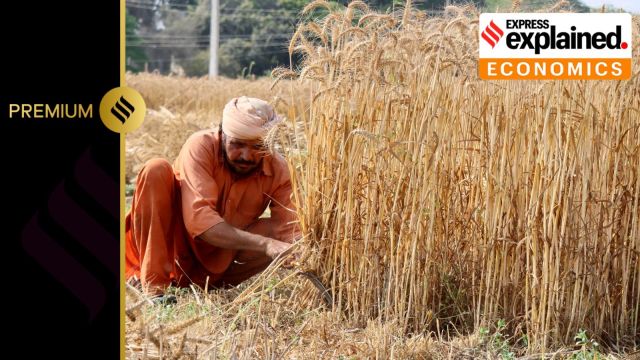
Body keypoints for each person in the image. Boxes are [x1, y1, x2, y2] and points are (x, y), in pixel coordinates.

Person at [125, 96, 300, 298]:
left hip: (219, 264)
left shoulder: (279, 170)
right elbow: (200, 222)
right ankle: (154, 288)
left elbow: (291, 229)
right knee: (155, 169)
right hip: (173, 246)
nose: (246, 156)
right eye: (238, 144)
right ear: (222, 134)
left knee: (280, 232)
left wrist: (300, 254)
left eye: (257, 147)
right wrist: (265, 244)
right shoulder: (200, 146)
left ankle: (208, 287)